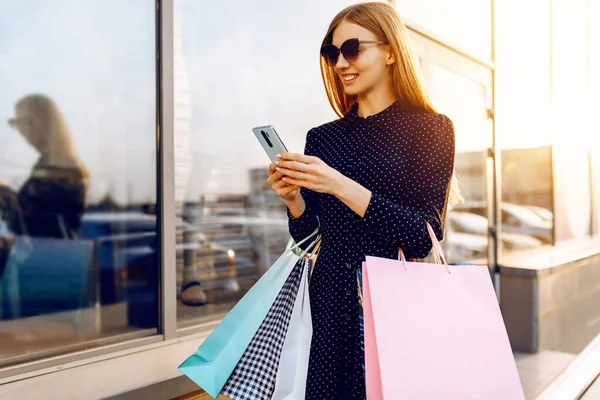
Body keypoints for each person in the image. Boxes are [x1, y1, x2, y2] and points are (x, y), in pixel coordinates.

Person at [267, 3, 460, 398]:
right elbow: (311, 236)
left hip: (395, 307)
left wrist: (339, 184)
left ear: (391, 52)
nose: (341, 62)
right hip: (329, 306)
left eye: (352, 48)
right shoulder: (322, 137)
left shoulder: (431, 129)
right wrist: (294, 201)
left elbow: (423, 235)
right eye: (332, 53)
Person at [5, 94, 89, 239]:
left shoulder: (58, 167)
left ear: (42, 122)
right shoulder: (54, 163)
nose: (20, 130)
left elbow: (42, 224)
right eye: (16, 123)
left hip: (48, 256)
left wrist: (7, 201)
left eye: (24, 121)